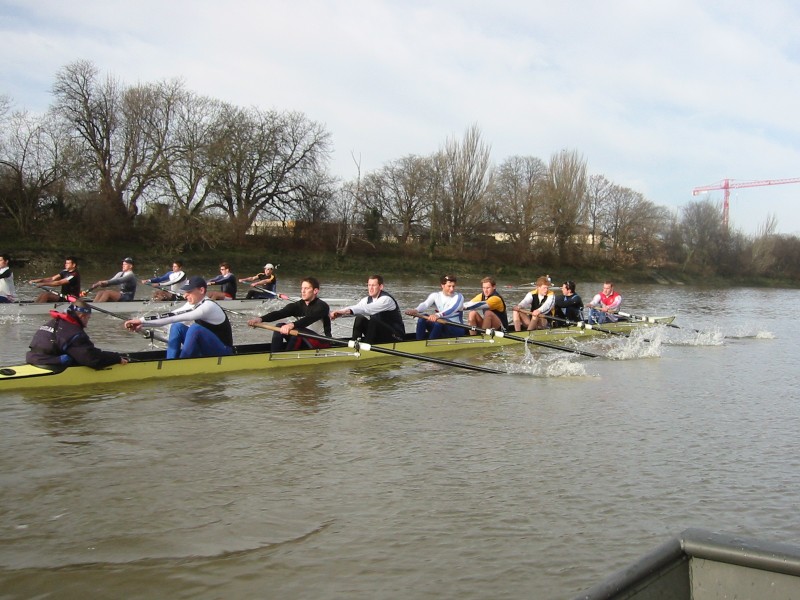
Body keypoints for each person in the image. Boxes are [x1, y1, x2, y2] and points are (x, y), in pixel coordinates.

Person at [123, 276, 233, 359]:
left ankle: (181, 362)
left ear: (201, 290)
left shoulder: (208, 306)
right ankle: (171, 360)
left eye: (189, 292)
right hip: (206, 347)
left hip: (223, 351)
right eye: (185, 292)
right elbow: (172, 315)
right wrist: (142, 324)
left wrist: (141, 320)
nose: (185, 295)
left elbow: (175, 317)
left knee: (195, 328)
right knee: (177, 326)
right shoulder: (193, 303)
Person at [26, 299, 129, 369]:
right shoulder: (74, 333)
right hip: (48, 364)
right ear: (82, 316)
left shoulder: (54, 322)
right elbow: (92, 359)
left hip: (31, 358)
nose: (87, 322)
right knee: (81, 358)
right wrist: (116, 358)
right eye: (88, 318)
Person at [247, 276, 331, 351]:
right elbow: (279, 313)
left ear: (315, 291)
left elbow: (308, 319)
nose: (303, 291)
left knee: (297, 330)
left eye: (306, 288)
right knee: (279, 326)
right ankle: (275, 353)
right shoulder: (298, 305)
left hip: (322, 342)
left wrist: (291, 325)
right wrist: (260, 319)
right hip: (305, 339)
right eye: (302, 288)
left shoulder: (322, 306)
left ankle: (284, 358)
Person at [330, 274, 405, 344]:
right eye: (369, 285)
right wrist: (338, 314)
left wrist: (344, 312)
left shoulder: (386, 299)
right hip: (379, 334)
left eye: (373, 285)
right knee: (359, 318)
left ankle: (367, 345)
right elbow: (356, 308)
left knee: (374, 320)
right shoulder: (366, 300)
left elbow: (368, 309)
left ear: (381, 287)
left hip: (396, 336)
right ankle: (354, 344)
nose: (370, 288)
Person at [405, 274, 465, 340]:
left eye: (453, 286)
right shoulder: (435, 295)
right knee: (422, 318)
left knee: (438, 323)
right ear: (442, 285)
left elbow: (452, 309)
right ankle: (419, 341)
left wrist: (437, 315)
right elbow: (425, 304)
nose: (452, 289)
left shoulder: (458, 297)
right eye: (449, 286)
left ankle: (430, 342)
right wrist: (416, 310)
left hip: (456, 329)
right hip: (442, 325)